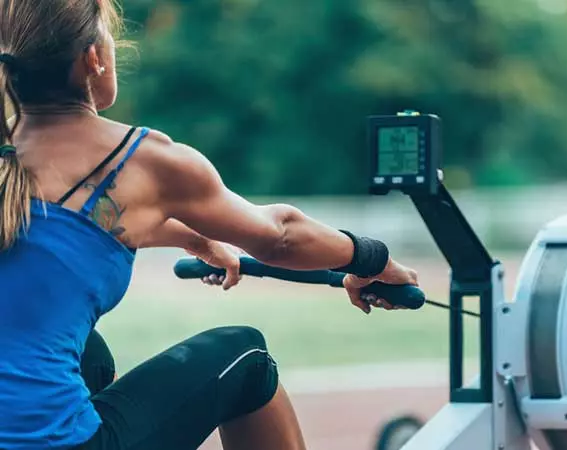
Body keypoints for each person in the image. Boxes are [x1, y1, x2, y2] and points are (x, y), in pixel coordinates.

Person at [0, 1, 420, 450]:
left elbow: (67, 230)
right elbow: (279, 237)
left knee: (92, 357)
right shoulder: (139, 159)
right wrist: (372, 259)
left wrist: (197, 238)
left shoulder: (9, 163)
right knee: (248, 358)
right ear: (94, 58)